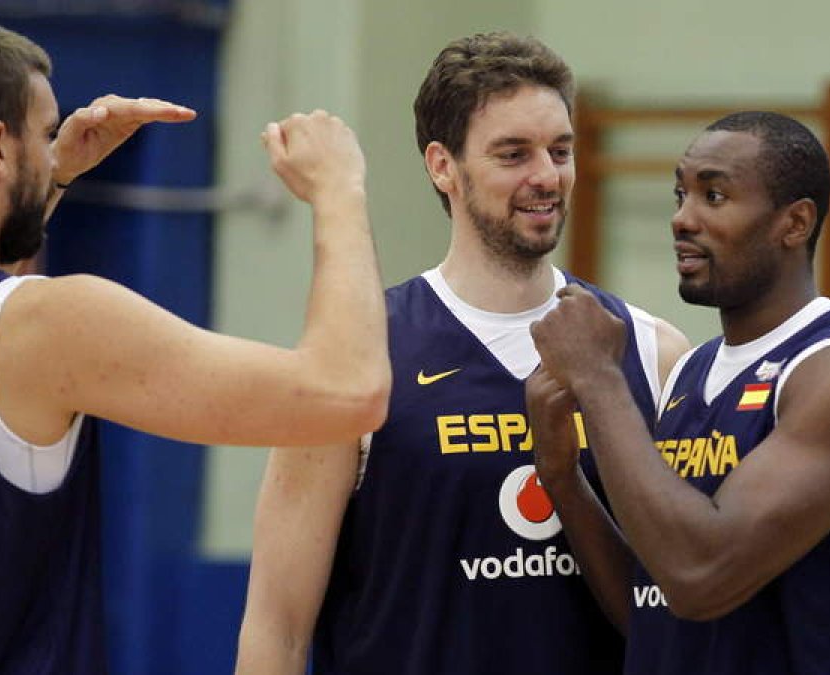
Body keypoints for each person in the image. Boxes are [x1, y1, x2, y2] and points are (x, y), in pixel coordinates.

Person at [0, 13, 391, 674]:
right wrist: (340, 193)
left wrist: (54, 173)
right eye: (45, 133)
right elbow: (347, 391)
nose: (53, 146)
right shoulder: (54, 325)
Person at [235, 32, 689, 674]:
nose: (546, 175)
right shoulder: (361, 358)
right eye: (513, 154)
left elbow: (684, 604)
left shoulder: (653, 352)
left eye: (560, 150)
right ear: (443, 166)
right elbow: (276, 627)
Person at [525, 111, 830, 674]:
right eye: (679, 194)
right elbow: (657, 604)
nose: (681, 219)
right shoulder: (692, 372)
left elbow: (701, 577)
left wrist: (597, 378)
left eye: (713, 196)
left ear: (795, 224)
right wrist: (561, 477)